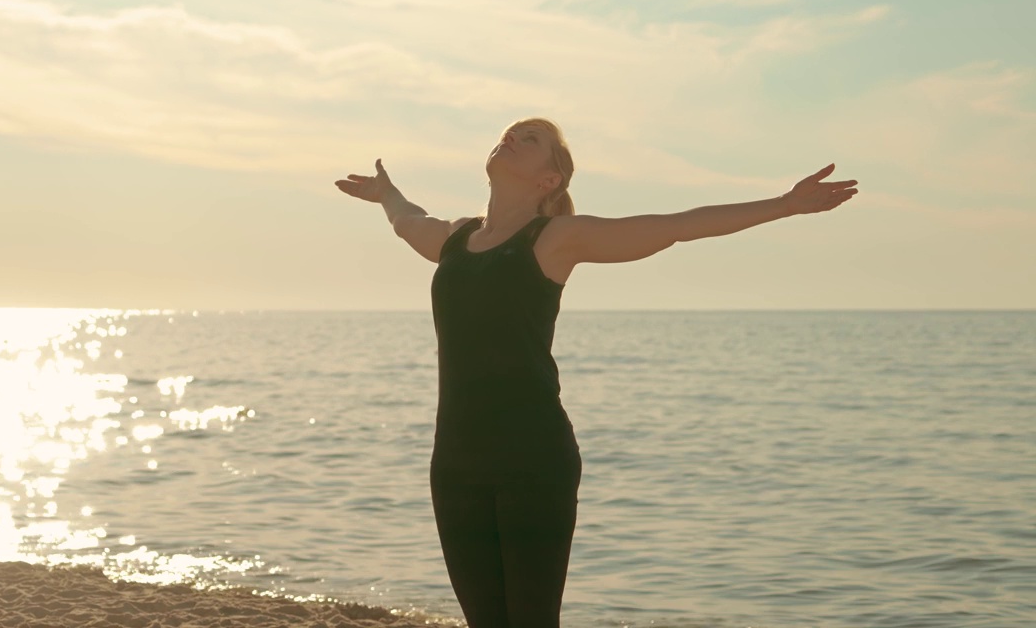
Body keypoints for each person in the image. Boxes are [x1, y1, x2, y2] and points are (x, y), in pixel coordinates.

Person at [334, 117, 858, 628]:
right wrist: (386, 193)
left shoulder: (557, 238)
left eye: (531, 138)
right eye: (509, 133)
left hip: (534, 458)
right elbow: (408, 221)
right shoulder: (454, 240)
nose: (511, 137)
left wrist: (786, 206)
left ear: (550, 180)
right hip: (454, 462)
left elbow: (675, 227)